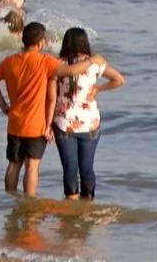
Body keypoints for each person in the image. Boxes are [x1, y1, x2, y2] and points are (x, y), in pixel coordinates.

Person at [49, 26, 123, 200]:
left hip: (64, 122)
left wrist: (47, 122)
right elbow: (119, 80)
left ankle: (71, 208)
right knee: (87, 168)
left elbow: (51, 96)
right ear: (85, 43)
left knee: (70, 168)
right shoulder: (95, 64)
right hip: (90, 122)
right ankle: (88, 206)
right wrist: (98, 88)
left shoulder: (57, 64)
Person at [0, 22, 61, 195]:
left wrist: (3, 106)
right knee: (32, 166)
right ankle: (29, 202)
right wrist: (92, 61)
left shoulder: (9, 61)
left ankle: (9, 197)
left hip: (15, 122)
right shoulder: (46, 62)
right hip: (36, 126)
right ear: (39, 43)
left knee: (14, 164)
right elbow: (69, 70)